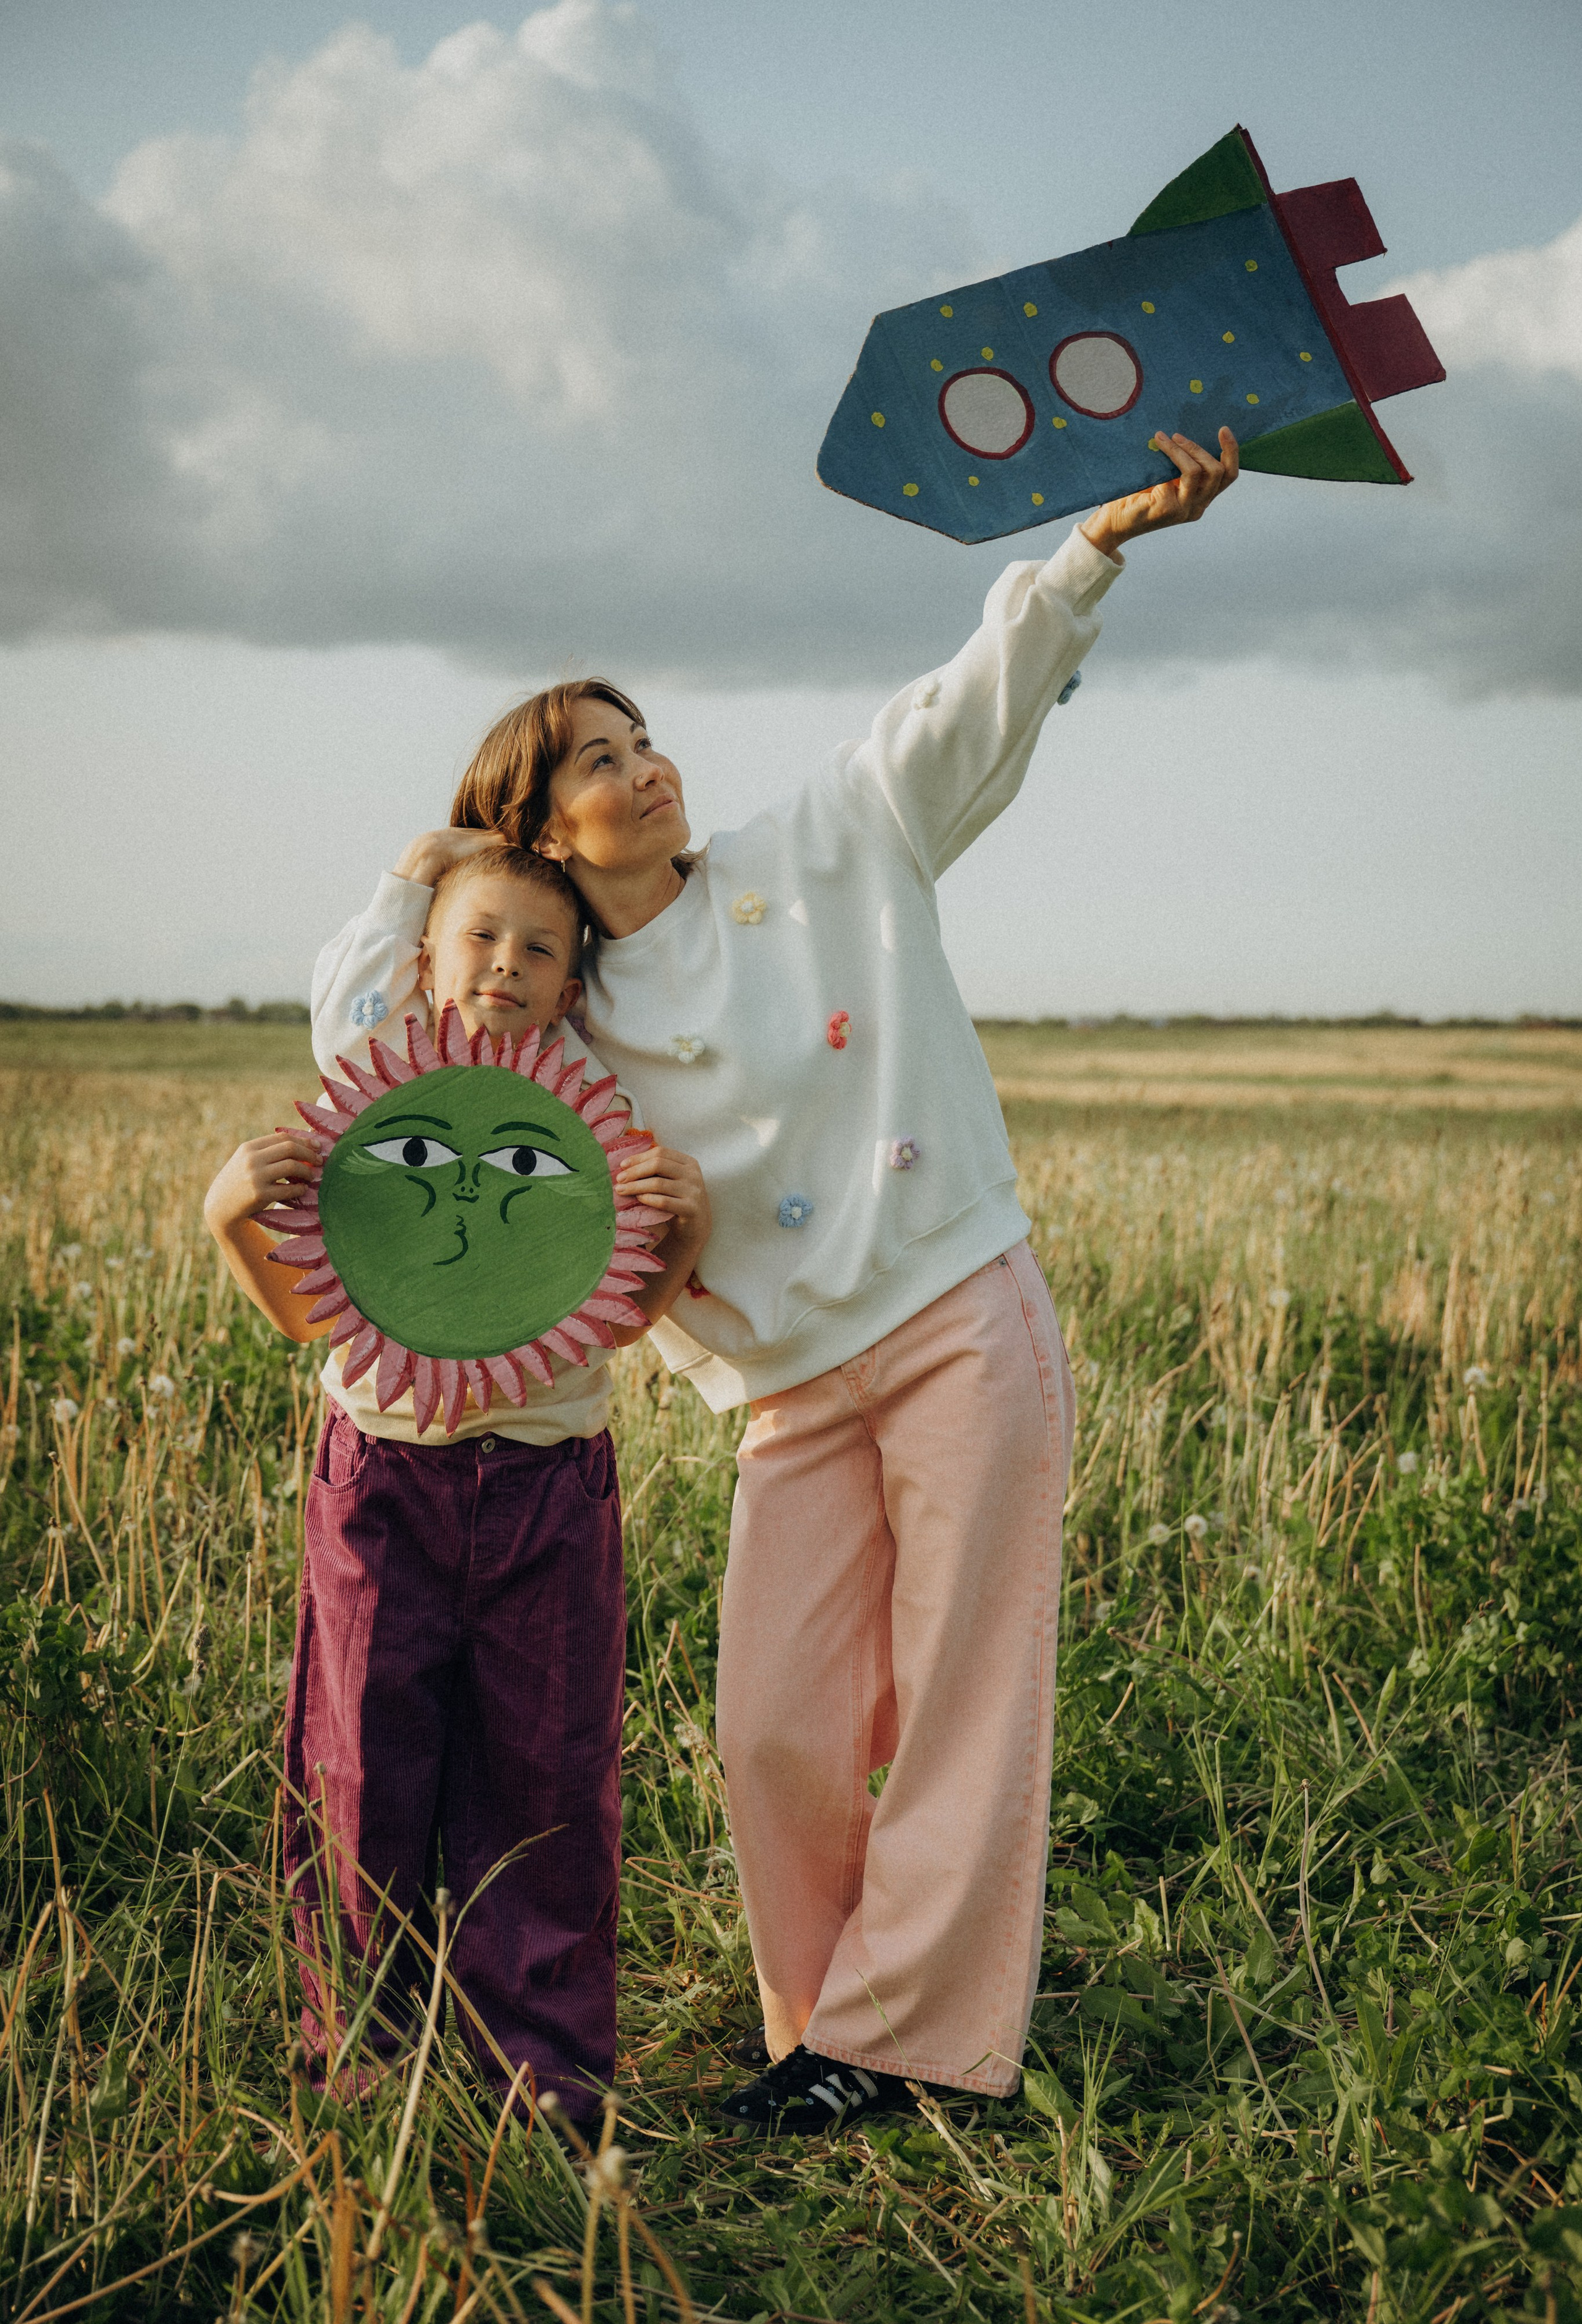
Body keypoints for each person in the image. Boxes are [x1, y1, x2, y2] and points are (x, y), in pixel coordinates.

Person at [312, 431, 1240, 2134]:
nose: (648, 767)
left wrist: (1095, 547)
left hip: (959, 1308)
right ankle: (822, 2028)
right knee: (774, 1733)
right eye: (598, 759)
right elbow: (371, 1033)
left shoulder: (825, 838)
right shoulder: (552, 1023)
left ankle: (916, 2053)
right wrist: (428, 865)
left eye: (646, 737)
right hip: (788, 1397)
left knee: (965, 1687)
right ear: (531, 827)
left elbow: (973, 702)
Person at [206, 845, 711, 2122]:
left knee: (547, 1774)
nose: (505, 965)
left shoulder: (590, 1117)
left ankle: (541, 2078)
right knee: (360, 1768)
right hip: (381, 1483)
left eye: (539, 949)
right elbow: (310, 1318)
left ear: (571, 984)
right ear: (423, 959)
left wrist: (683, 1231)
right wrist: (229, 1216)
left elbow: (603, 1326)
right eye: (478, 937)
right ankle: (357, 2070)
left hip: (549, 1485)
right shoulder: (371, 1099)